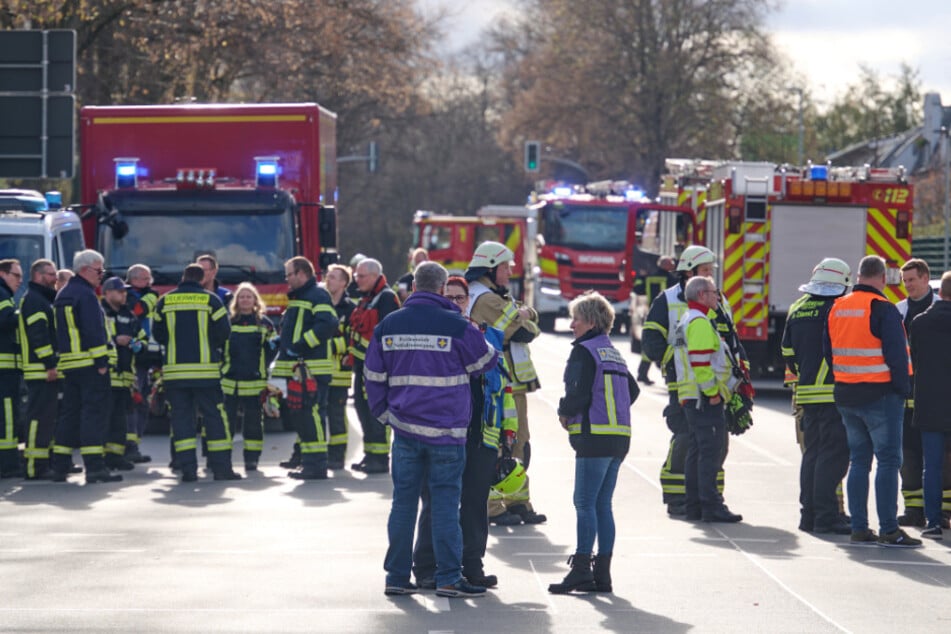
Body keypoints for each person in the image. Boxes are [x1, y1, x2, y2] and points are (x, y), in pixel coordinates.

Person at [365, 261, 498, 598]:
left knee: (403, 505)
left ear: (413, 287)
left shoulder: (389, 325)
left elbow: (373, 378)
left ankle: (396, 577)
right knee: (444, 506)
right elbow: (485, 362)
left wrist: (385, 416)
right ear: (442, 289)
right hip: (447, 433)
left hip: (405, 432)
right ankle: (449, 579)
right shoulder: (456, 324)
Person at [412, 276, 517, 590]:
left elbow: (505, 388)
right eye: (451, 297)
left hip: (480, 434)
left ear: (469, 301)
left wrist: (508, 430)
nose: (456, 302)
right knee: (435, 502)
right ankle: (426, 567)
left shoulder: (490, 336)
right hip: (443, 434)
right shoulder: (433, 334)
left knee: (474, 504)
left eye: (461, 298)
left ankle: (472, 566)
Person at [643, 245, 747, 516]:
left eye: (711, 270)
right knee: (687, 440)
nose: (710, 275)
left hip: (715, 385)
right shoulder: (667, 300)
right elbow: (651, 341)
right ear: (687, 272)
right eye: (704, 271)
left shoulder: (718, 300)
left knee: (715, 445)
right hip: (688, 385)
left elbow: (731, 340)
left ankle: (705, 498)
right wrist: (675, 361)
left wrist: (741, 378)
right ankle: (682, 499)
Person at [824, 255, 920, 547]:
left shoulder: (837, 307)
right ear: (880, 278)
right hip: (881, 396)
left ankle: (859, 527)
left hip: (846, 395)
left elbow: (829, 352)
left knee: (859, 461)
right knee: (889, 461)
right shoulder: (883, 309)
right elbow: (897, 355)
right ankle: (889, 529)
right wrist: (904, 391)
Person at [550, 292, 638, 594]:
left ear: (590, 321)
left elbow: (578, 391)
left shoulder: (584, 351)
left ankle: (580, 569)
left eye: (576, 318)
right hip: (619, 438)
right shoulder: (612, 351)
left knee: (584, 503)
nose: (572, 323)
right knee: (603, 504)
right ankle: (603, 573)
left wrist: (565, 412)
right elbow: (633, 390)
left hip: (594, 437)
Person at [466, 241, 547, 526]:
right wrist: (524, 315)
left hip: (510, 384)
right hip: (495, 384)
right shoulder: (486, 299)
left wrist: (527, 314)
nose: (510, 271)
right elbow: (524, 331)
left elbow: (530, 320)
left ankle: (518, 501)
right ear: (490, 267)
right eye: (505, 266)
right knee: (498, 444)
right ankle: (493, 506)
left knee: (518, 443)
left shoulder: (493, 296)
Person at [782, 258, 852, 534]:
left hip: (806, 393)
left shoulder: (796, 308)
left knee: (811, 454)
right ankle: (826, 517)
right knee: (833, 456)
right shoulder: (838, 308)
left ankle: (808, 515)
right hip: (834, 394)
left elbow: (787, 354)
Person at [153, 263, 240, 483]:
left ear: (183, 277)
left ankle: (188, 471)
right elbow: (225, 332)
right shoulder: (211, 300)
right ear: (202, 279)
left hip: (175, 373)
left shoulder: (164, 301)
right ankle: (221, 469)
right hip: (206, 372)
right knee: (214, 418)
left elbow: (159, 334)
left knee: (182, 420)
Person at [673, 276, 743, 523]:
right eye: (714, 292)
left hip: (691, 396)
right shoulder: (700, 322)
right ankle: (711, 506)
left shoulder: (687, 320)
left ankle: (695, 506)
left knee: (697, 451)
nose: (718, 297)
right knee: (710, 453)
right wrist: (713, 393)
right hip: (704, 399)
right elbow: (701, 363)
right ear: (702, 295)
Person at [51, 250, 120, 483]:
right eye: (99, 270)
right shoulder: (86, 295)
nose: (102, 275)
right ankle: (95, 467)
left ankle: (60, 466)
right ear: (84, 270)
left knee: (69, 415)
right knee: (94, 415)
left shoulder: (63, 294)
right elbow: (93, 331)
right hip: (90, 365)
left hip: (70, 365)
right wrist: (101, 362)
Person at [270, 256, 338, 480]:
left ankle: (317, 465)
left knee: (312, 416)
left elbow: (328, 324)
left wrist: (299, 346)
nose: (287, 279)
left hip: (311, 369)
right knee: (303, 417)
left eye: (289, 274)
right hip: (299, 369)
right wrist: (282, 343)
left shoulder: (317, 295)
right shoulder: (301, 296)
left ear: (302, 273)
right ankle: (308, 462)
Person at [895, 258, 943, 527]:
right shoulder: (898, 311)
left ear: (926, 278)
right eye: (905, 281)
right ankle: (913, 509)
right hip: (906, 395)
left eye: (912, 280)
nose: (908, 286)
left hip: (934, 395)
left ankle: (943, 510)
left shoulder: (939, 309)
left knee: (939, 455)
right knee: (908, 454)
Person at [909, 271, 951, 539]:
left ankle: (933, 522)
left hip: (929, 403)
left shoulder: (919, 323)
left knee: (931, 465)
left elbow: (916, 360)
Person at [348, 257, 400, 474]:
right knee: (362, 409)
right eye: (356, 276)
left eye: (361, 276)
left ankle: (379, 459)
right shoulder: (367, 298)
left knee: (376, 412)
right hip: (363, 367)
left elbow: (387, 336)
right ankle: (370, 455)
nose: (356, 280)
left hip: (378, 369)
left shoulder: (386, 298)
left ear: (374, 275)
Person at [222, 283, 276, 472]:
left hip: (254, 381)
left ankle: (252, 460)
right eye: (241, 297)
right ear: (236, 301)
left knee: (253, 424)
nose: (245, 299)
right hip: (229, 381)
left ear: (255, 300)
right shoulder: (227, 322)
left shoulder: (265, 323)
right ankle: (222, 460)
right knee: (225, 423)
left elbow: (272, 349)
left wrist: (261, 368)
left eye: (248, 296)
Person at [16, 259, 60, 479]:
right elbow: (38, 337)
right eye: (51, 275)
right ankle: (35, 467)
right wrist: (50, 364)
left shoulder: (42, 300)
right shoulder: (34, 301)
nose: (55, 279)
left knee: (46, 420)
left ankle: (45, 463)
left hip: (44, 370)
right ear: (39, 276)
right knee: (38, 419)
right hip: (40, 370)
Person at [100, 276, 143, 472]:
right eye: (120, 291)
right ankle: (100, 458)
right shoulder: (100, 312)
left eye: (125, 291)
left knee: (119, 421)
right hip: (105, 376)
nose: (124, 294)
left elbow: (141, 344)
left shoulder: (129, 315)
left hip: (124, 379)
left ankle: (115, 456)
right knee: (104, 418)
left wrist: (131, 343)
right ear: (107, 292)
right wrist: (116, 340)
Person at [124, 263, 160, 463]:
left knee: (143, 404)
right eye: (146, 279)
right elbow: (138, 310)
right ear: (135, 279)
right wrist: (151, 297)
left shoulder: (148, 295)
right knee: (134, 402)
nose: (150, 282)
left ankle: (134, 444)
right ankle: (129, 447)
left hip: (147, 356)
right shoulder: (128, 295)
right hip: (133, 358)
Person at [324, 264, 356, 470]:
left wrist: (327, 344)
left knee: (336, 414)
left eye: (334, 277)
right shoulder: (321, 303)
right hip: (318, 370)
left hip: (339, 373)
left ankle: (337, 456)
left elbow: (351, 339)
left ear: (344, 282)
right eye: (328, 276)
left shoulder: (350, 309)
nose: (329, 280)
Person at [634, 255, 677, 384]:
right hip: (666, 315)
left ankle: (642, 373)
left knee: (651, 344)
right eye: (671, 264)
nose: (673, 266)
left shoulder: (649, 277)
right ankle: (667, 376)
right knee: (667, 344)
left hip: (651, 314)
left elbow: (637, 289)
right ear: (666, 265)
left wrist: (641, 277)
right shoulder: (671, 279)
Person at [0, 258, 24, 477]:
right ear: (3, 274)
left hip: (8, 369)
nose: (20, 281)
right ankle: (7, 465)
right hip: (4, 371)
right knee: (6, 416)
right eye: (16, 275)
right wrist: (23, 314)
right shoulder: (2, 295)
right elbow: (5, 320)